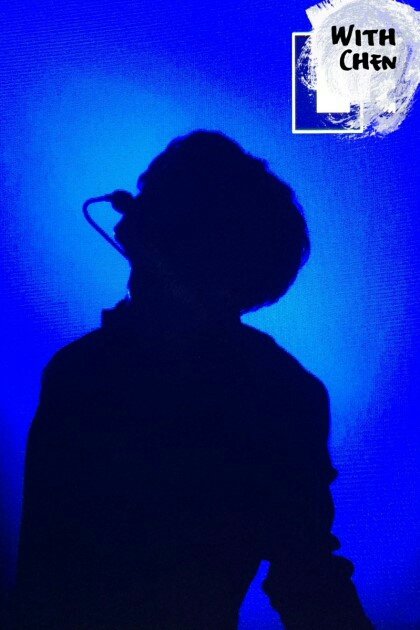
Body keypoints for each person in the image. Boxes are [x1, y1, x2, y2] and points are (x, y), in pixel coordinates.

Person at [12, 131, 373, 629]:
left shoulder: (81, 370)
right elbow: (309, 577)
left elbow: (42, 579)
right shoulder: (285, 391)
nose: (129, 217)